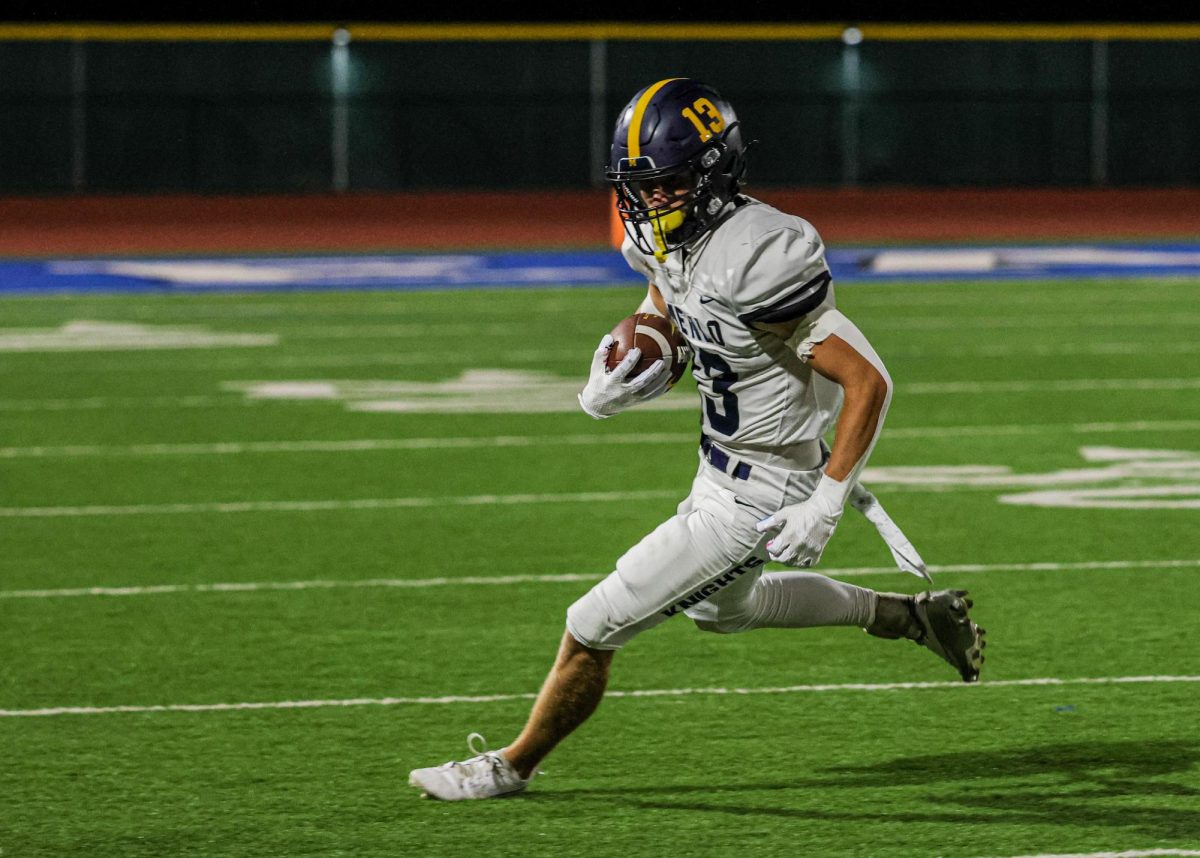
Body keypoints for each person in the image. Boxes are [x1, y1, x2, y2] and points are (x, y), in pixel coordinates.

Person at [409, 78, 985, 801]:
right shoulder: (666, 236)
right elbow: (673, 303)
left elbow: (869, 381)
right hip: (718, 466)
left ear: (714, 174)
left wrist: (826, 502)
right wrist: (644, 354)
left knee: (593, 622)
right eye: (639, 186)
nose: (650, 201)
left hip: (767, 487)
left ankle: (509, 766)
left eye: (669, 183)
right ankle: (905, 617)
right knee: (725, 612)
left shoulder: (763, 251)